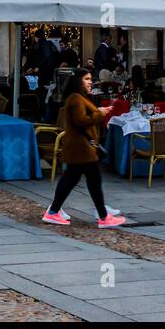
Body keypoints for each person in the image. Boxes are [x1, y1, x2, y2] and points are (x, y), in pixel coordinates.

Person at [43, 69, 124, 228]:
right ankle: (102, 216)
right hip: (82, 148)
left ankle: (53, 211)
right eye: (86, 79)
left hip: (78, 148)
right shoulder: (76, 99)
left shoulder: (76, 98)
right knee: (92, 180)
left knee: (71, 179)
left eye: (90, 79)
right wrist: (99, 113)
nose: (90, 82)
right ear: (78, 81)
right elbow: (81, 120)